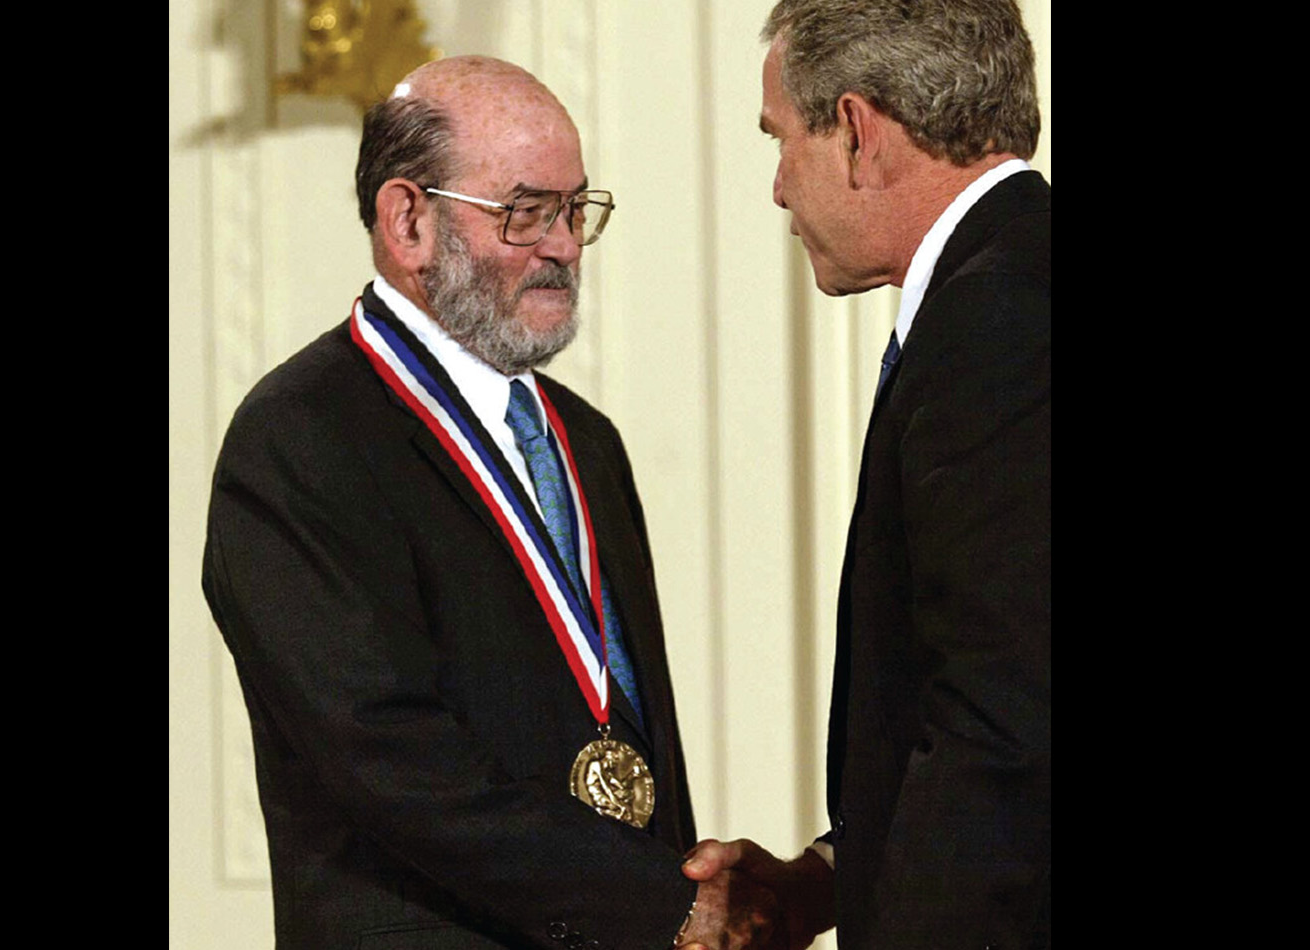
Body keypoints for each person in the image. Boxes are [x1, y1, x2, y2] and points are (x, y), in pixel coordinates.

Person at [203, 54, 779, 950]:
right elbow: (388, 759)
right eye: (525, 211)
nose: (563, 245)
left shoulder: (585, 438)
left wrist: (679, 904)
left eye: (575, 208)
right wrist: (662, 905)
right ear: (409, 220)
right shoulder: (298, 439)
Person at [681, 2, 1051, 948]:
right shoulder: (1010, 284)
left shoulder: (996, 323)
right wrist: (834, 879)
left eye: (781, 139)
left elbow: (1002, 729)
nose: (775, 189)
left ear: (855, 132)